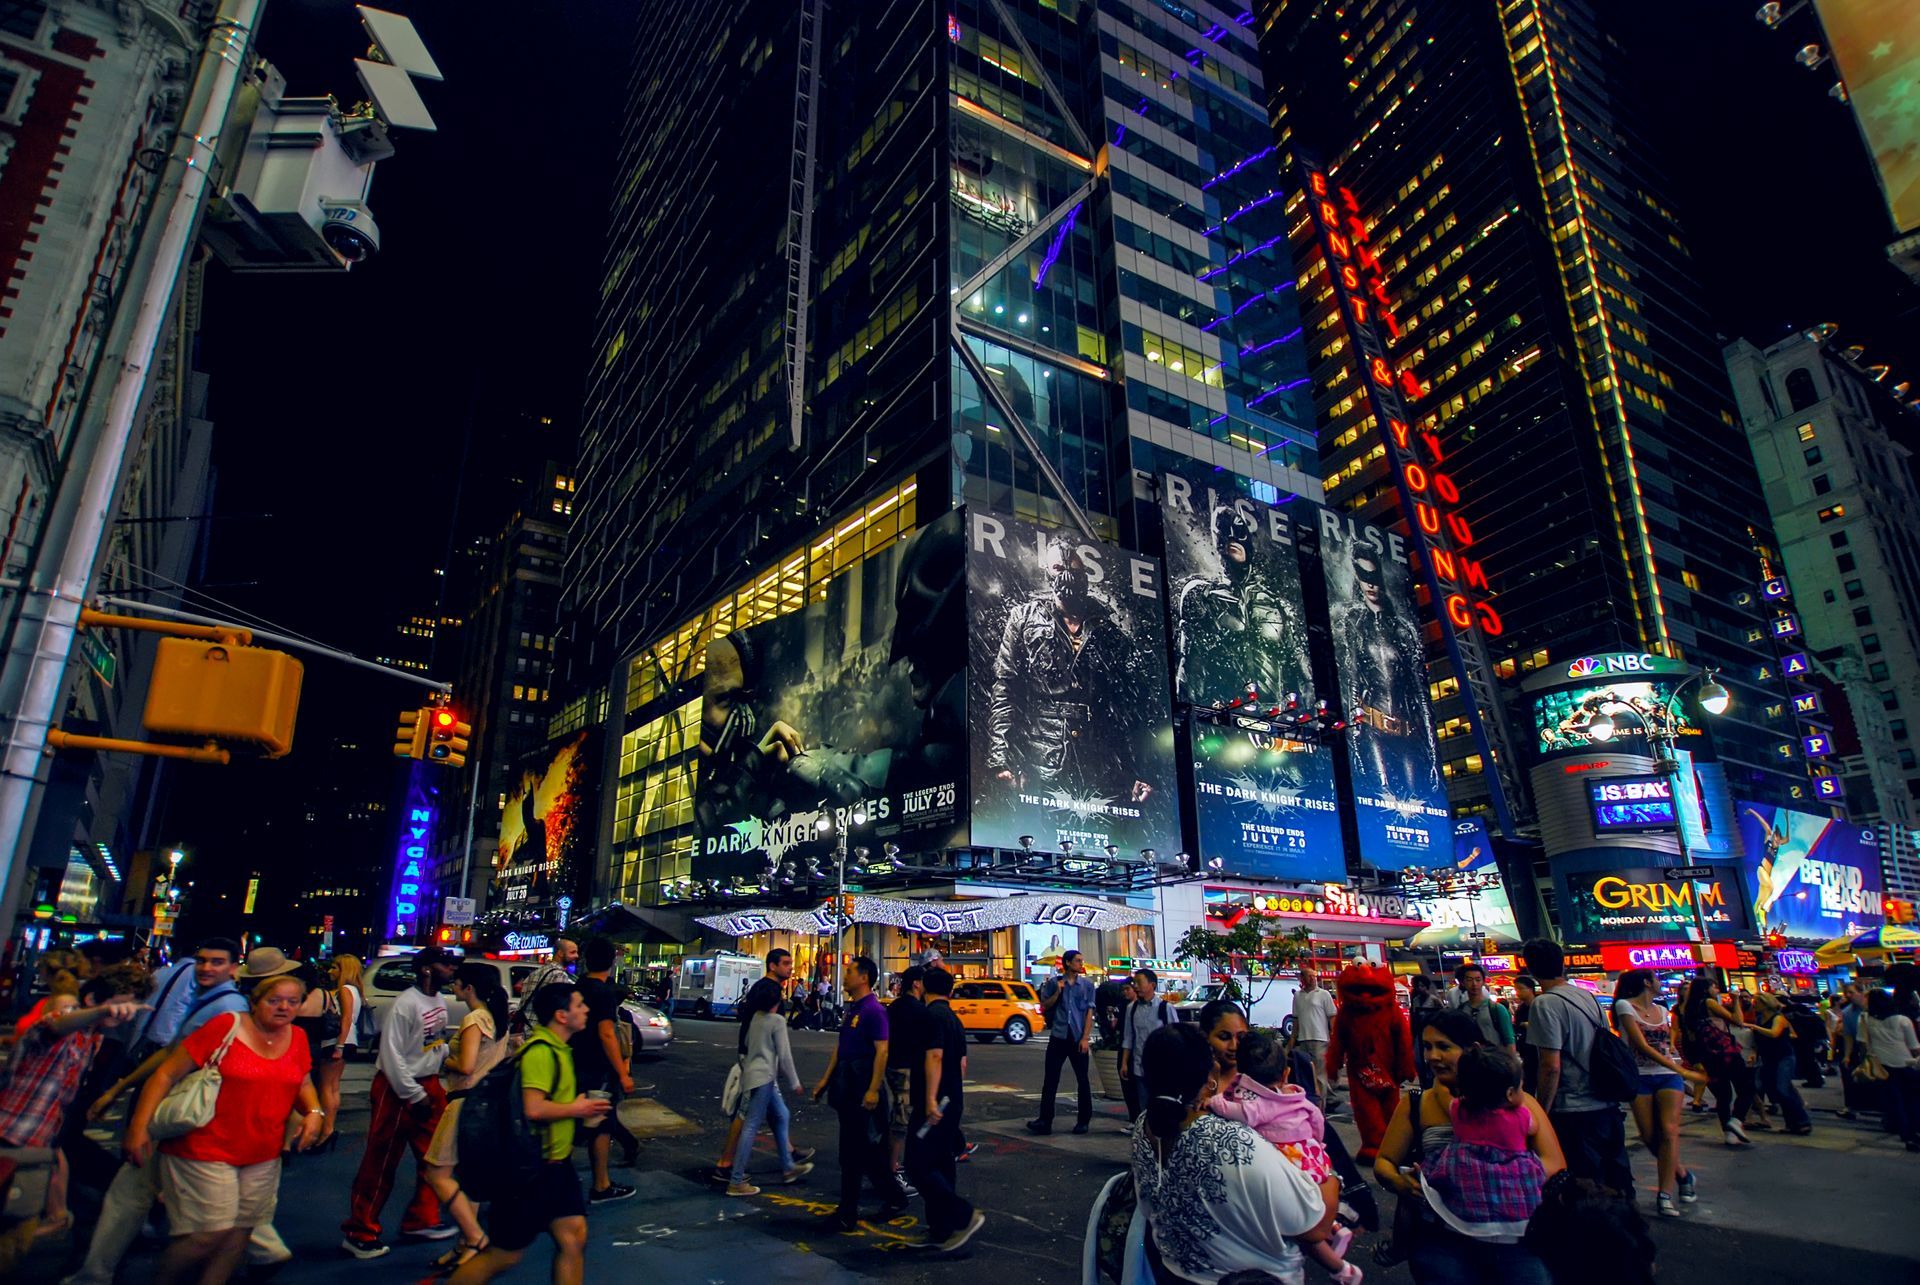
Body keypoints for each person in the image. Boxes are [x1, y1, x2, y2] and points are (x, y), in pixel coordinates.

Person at [67, 940, 255, 1285]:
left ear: (234, 968)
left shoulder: (227, 1008)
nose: (206, 968)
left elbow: (174, 1061)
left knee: (137, 1193)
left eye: (216, 961)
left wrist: (122, 1097)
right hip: (183, 1110)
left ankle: (97, 1272)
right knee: (157, 1191)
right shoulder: (212, 1000)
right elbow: (173, 1053)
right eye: (202, 960)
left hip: (182, 1112)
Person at [123, 973, 325, 1285]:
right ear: (255, 1001)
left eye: (292, 1001)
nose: (283, 1007)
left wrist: (313, 1111)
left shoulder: (296, 1037)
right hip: (204, 1146)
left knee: (240, 1230)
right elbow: (165, 1074)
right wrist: (139, 1128)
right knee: (206, 1234)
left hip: (262, 1152)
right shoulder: (226, 1026)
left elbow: (303, 1081)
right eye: (274, 1000)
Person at [1372, 1011, 1561, 1283]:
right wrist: (1400, 1182)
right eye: (1427, 1047)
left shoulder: (1518, 1102)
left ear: (1472, 1050)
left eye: (1444, 1046)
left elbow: (1555, 1164)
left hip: (1517, 1240)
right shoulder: (1416, 1104)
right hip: (1442, 1242)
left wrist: (1499, 1182)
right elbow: (1384, 1162)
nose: (1432, 1056)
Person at [1131, 1023, 1326, 1283]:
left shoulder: (1145, 1126)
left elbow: (1146, 1206)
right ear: (1211, 1072)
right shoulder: (1232, 1140)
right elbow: (1313, 1227)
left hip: (1174, 1274)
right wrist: (1330, 1174)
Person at [447, 983, 611, 1285]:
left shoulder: (559, 1049)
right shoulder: (541, 1053)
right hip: (532, 1172)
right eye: (579, 1006)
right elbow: (534, 1108)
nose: (586, 1010)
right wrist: (577, 1109)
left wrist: (579, 1112)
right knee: (504, 1255)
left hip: (556, 1167)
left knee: (573, 1238)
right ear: (561, 1016)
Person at [1208, 1030, 1360, 1284]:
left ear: (1242, 1076)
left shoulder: (1256, 1105)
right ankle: (1336, 1228)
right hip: (1311, 1156)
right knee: (1312, 1210)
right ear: (1286, 1073)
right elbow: (1316, 1119)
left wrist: (1212, 1101)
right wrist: (1317, 1145)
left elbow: (1235, 1111)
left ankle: (1342, 1270)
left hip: (1288, 1164)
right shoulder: (1295, 1095)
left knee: (1305, 1232)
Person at [0, 979, 147, 1237]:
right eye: (120, 1003)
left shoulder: (92, 1040)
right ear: (91, 1001)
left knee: (14, 1224)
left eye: (131, 1004)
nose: (126, 1010)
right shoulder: (58, 1032)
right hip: (9, 1134)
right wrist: (103, 1011)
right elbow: (57, 1023)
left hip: (34, 1141)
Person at [341, 946, 458, 1258]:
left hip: (427, 1084)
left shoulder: (436, 1001)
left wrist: (445, 1055)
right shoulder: (406, 1005)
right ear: (426, 970)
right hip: (399, 1089)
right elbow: (391, 1055)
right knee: (380, 1161)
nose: (451, 969)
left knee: (436, 1158)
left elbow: (432, 1042)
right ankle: (360, 1230)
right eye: (445, 964)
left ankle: (420, 1219)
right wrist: (414, 1093)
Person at [1521, 938, 1631, 1194]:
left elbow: (1550, 1066)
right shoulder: (1587, 996)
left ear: (1530, 969)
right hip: (1606, 1104)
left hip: (1573, 1110)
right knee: (1615, 1180)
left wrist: (1541, 1111)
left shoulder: (1545, 1003)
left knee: (1583, 1186)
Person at [421, 964, 510, 1273]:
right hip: (487, 1106)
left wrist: (445, 1054)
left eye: (456, 983)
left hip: (463, 1103)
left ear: (468, 988)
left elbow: (468, 1064)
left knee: (436, 1172)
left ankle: (474, 1239)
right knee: (469, 1180)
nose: (452, 987)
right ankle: (465, 1246)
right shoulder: (497, 1019)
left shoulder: (474, 1020)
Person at [812, 955, 900, 1232]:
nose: (845, 974)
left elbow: (882, 1051)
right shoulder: (854, 1009)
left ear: (864, 978)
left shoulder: (874, 1010)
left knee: (854, 1153)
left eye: (850, 971)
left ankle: (848, 1212)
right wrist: (826, 1079)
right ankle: (893, 1198)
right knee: (864, 1153)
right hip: (849, 1087)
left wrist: (873, 1090)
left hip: (863, 1089)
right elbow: (841, 1047)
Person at [711, 949, 811, 1186]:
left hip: (757, 1058)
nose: (790, 967)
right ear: (773, 965)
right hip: (757, 1061)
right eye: (785, 963)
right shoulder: (769, 991)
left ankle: (788, 1160)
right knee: (747, 1116)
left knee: (778, 1113)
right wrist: (794, 1081)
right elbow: (779, 1046)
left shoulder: (762, 990)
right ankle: (729, 1168)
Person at [1610, 969, 1704, 1216]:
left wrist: (1676, 1069)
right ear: (1646, 982)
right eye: (1656, 978)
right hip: (1640, 1076)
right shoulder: (1624, 1007)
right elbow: (1639, 1044)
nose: (1660, 983)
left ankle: (1665, 1194)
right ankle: (1683, 1175)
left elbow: (1665, 1044)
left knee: (1669, 1132)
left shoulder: (1663, 1010)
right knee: (1651, 1137)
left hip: (1667, 1077)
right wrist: (1682, 1071)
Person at [907, 967, 984, 1251]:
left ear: (924, 987)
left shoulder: (931, 1017)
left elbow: (935, 1056)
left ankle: (963, 1216)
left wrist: (930, 1099)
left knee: (917, 1163)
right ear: (950, 991)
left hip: (935, 1103)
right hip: (952, 1100)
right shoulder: (954, 1019)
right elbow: (961, 1064)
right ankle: (942, 1229)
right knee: (941, 1162)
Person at [569, 938, 638, 1204]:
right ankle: (601, 1185)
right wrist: (623, 1073)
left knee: (580, 1122)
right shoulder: (603, 993)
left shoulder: (579, 987)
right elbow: (607, 1034)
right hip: (597, 1069)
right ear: (612, 961)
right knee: (601, 1126)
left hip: (575, 1063)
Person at [1328, 963, 1413, 1164]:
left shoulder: (1390, 1010)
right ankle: (1375, 1144)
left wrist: (1405, 1065)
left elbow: (1403, 1039)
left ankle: (1392, 1144)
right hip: (1360, 1069)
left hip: (1387, 1068)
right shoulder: (1348, 1012)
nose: (1365, 996)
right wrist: (1334, 1061)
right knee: (1366, 1111)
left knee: (1391, 1108)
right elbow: (1338, 1038)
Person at [1678, 971, 1757, 1148]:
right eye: (1714, 986)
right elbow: (1738, 1021)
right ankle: (1736, 1120)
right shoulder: (1709, 1003)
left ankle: (1728, 1133)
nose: (1717, 989)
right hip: (1726, 1053)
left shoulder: (1686, 1009)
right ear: (1706, 989)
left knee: (1723, 1096)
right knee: (1747, 1088)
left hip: (1708, 1056)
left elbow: (1688, 1037)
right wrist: (1735, 1000)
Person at [1027, 949, 1095, 1136]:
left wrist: (1085, 1038)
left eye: (1081, 960)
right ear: (1067, 963)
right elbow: (1045, 1005)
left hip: (1077, 1036)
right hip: (1058, 1035)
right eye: (1078, 961)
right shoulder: (1053, 983)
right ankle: (1045, 1120)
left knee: (1083, 1080)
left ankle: (1083, 1121)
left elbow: (1089, 1013)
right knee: (1050, 1079)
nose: (1081, 964)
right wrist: (1058, 993)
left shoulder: (1087, 986)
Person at [884, 965, 931, 1193]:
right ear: (916, 983)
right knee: (901, 1120)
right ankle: (892, 1171)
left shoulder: (894, 1007)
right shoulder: (920, 1010)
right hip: (907, 1069)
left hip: (891, 1066)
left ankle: (893, 1165)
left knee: (897, 1116)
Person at [1746, 991, 1813, 1135]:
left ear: (1765, 1004)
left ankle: (1802, 1121)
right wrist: (1754, 1054)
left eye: (1757, 1002)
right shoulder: (1759, 1019)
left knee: (1782, 1088)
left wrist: (1754, 1028)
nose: (1754, 1005)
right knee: (1780, 1090)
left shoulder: (1778, 1018)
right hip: (1769, 1058)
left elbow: (1774, 1033)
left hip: (1784, 1057)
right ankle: (1792, 1123)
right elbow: (1758, 1041)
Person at [1863, 987, 1920, 1149]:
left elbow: (1864, 1043)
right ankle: (1915, 1131)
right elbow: (1914, 1046)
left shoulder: (1866, 1019)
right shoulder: (1903, 1020)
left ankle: (1906, 1135)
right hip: (1907, 1064)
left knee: (1896, 1102)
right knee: (1912, 1100)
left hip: (1883, 1066)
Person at [1120, 968, 1177, 1123]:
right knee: (1144, 1107)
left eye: (1139, 982)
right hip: (1139, 1067)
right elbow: (1128, 1037)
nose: (1136, 986)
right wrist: (1124, 1063)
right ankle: (1147, 1138)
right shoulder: (1132, 1009)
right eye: (1134, 983)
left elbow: (1177, 1039)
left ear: (1152, 985)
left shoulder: (1166, 1008)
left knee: (1164, 1106)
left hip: (1162, 1068)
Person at [319, 955, 364, 1141]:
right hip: (349, 1040)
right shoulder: (356, 990)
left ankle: (327, 1130)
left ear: (343, 970)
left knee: (326, 1086)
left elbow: (345, 1019)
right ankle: (329, 1127)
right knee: (334, 1086)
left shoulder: (345, 990)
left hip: (337, 1040)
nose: (331, 972)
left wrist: (339, 1045)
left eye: (335, 968)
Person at [1290, 968, 1339, 1105]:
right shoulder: (1298, 996)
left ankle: (1320, 1107)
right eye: (1309, 976)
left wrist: (1334, 1036)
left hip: (1320, 1039)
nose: (1312, 978)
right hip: (1303, 1039)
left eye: (1314, 976)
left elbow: (1332, 1017)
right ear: (1302, 978)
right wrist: (1293, 1039)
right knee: (1306, 1075)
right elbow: (1296, 1019)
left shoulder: (1324, 994)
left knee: (1320, 1077)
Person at [511, 940, 578, 1034]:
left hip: (524, 1030)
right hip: (540, 1032)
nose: (576, 956)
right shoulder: (559, 975)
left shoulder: (536, 972)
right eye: (572, 952)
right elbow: (557, 1008)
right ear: (560, 953)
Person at [1452, 965, 1515, 1052]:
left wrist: (1511, 1062)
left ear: (1483, 982)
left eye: (1478, 980)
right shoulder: (1461, 1010)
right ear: (1462, 982)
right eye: (1469, 980)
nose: (1474, 984)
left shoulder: (1496, 1009)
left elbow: (1509, 1040)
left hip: (1495, 1060)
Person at [1408, 975, 1445, 1089]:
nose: (1420, 988)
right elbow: (1413, 1017)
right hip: (1419, 1034)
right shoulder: (1415, 1000)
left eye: (1422, 986)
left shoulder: (1434, 1000)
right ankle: (1424, 1083)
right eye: (1417, 986)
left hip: (1433, 1034)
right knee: (1418, 1061)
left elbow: (1443, 1015)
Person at [1512, 975, 1539, 1094]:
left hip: (1538, 1052)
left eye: (1521, 988)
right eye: (1516, 989)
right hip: (1526, 1052)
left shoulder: (1539, 1005)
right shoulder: (1521, 1009)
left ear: (1530, 989)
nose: (1518, 992)